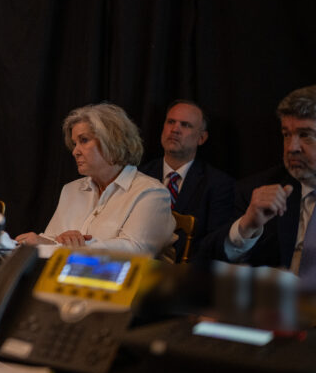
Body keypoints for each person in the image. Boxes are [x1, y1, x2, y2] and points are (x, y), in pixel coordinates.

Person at [16, 103, 175, 254]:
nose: (75, 151)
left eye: (84, 140)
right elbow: (55, 238)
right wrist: (39, 241)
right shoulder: (71, 189)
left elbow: (134, 250)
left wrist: (75, 246)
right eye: (74, 143)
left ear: (113, 140)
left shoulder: (151, 192)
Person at [198, 85, 316, 275]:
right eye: (286, 134)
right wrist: (246, 227)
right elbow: (206, 261)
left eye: (305, 135)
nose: (292, 147)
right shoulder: (258, 190)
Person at [138, 100, 235, 259]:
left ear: (201, 138)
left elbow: (214, 245)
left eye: (185, 125)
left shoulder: (219, 185)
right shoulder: (140, 175)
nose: (175, 129)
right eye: (170, 122)